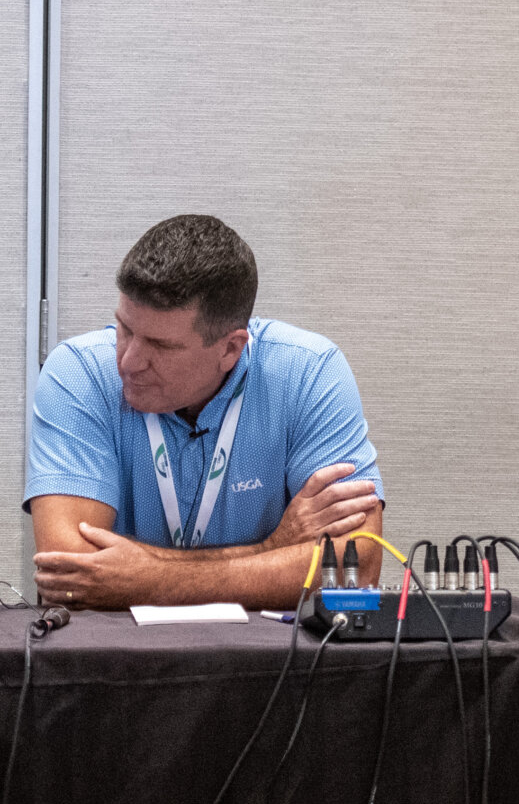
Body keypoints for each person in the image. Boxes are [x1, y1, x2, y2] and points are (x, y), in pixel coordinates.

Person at [27, 215, 386, 609]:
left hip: (269, 648)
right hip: (114, 648)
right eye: (125, 330)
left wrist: (149, 577)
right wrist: (272, 549)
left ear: (230, 349)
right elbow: (71, 575)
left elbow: (358, 567)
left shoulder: (309, 372)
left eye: (161, 346)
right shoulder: (78, 373)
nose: (129, 362)